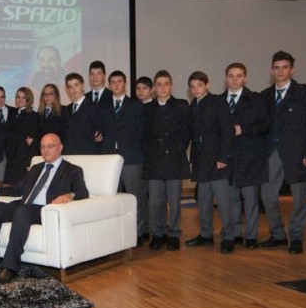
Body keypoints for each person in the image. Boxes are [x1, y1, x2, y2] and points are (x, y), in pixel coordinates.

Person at [0, 133, 89, 283]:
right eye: (42, 147)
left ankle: (10, 266)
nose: (46, 150)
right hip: (24, 206)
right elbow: (18, 188)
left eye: (50, 146)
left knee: (22, 211)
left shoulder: (72, 170)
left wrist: (69, 195)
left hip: (44, 210)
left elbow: (83, 193)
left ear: (60, 148)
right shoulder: (36, 168)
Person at [259, 51, 306, 254]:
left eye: (285, 67)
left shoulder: (305, 93)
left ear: (292, 70)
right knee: (267, 194)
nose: (280, 71)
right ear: (271, 70)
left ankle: (296, 237)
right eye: (277, 67)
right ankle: (277, 234)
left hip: (298, 152)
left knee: (299, 197)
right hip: (272, 152)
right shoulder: (265, 96)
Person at [185, 71, 236, 254]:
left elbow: (227, 132)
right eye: (192, 86)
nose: (196, 89)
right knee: (203, 200)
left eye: (199, 85)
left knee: (223, 202)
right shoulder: (193, 105)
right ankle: (206, 234)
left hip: (216, 160)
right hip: (200, 160)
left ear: (207, 85)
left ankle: (228, 237)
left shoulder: (218, 102)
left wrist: (223, 157)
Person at [142, 70, 190, 251]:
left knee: (174, 201)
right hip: (154, 162)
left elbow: (186, 133)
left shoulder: (181, 106)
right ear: (154, 88)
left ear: (171, 86)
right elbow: (144, 136)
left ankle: (174, 234)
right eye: (159, 84)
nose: (162, 88)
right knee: (155, 202)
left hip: (174, 161)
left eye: (166, 84)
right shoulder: (147, 109)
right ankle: (158, 233)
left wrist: (177, 150)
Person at [223, 63, 269, 250]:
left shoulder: (256, 99)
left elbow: (266, 125)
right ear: (225, 78)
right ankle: (235, 233)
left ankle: (251, 236)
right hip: (228, 158)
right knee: (231, 199)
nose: (235, 79)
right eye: (231, 76)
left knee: (250, 201)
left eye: (239, 76)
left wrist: (244, 129)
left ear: (245, 78)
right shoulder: (218, 101)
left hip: (251, 157)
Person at [101, 70, 146, 245]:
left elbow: (141, 132)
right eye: (113, 82)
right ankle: (117, 233)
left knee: (135, 197)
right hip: (110, 161)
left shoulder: (135, 105)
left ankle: (139, 232)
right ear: (109, 85)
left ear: (125, 84)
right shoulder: (104, 107)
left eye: (119, 81)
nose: (116, 85)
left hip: (131, 158)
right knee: (114, 199)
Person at [4, 87, 40, 184]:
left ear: (28, 99)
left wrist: (30, 162)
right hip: (12, 159)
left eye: (23, 97)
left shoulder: (33, 116)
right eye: (18, 97)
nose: (20, 100)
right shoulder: (13, 114)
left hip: (24, 161)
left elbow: (33, 142)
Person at [63, 73, 103, 154]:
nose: (74, 89)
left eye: (76, 85)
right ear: (67, 90)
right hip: (69, 154)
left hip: (87, 154)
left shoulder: (94, 107)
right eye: (70, 87)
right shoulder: (66, 109)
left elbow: (100, 131)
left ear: (83, 85)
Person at [0, 86, 17, 188]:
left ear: (5, 97)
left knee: (11, 187)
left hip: (13, 156)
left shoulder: (15, 112)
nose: (0, 100)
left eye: (2, 97)